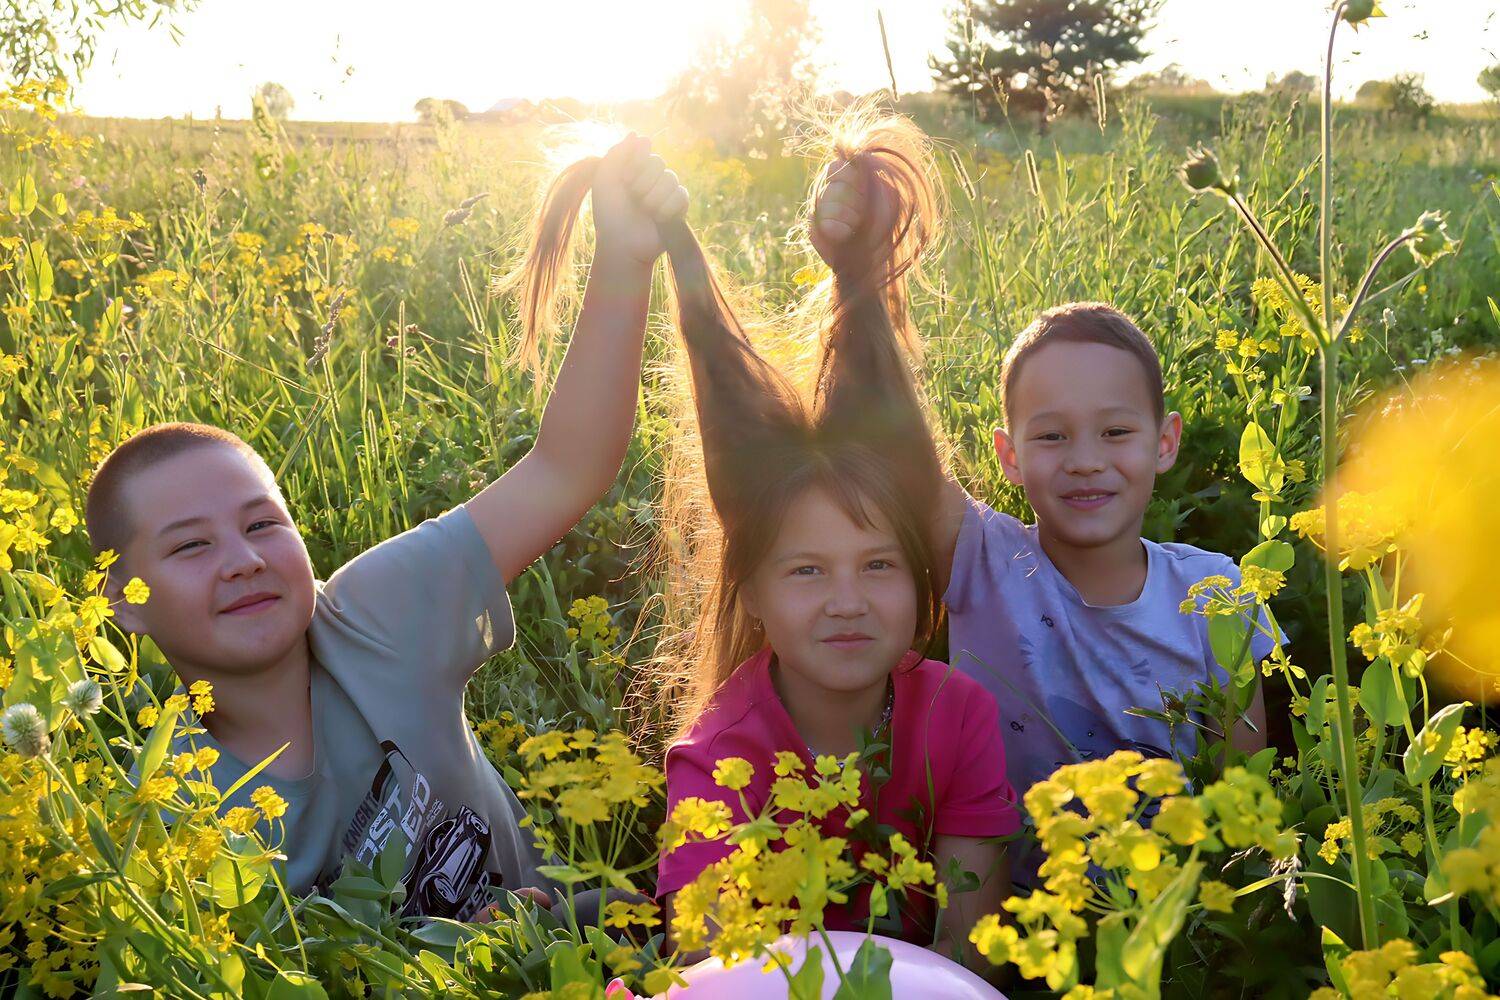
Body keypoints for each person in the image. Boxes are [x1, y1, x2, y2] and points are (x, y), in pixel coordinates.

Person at [87, 134, 688, 919]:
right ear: (122, 601)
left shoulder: (374, 616)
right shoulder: (169, 809)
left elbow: (565, 470)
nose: (243, 560)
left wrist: (624, 261)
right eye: (192, 545)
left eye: (263, 524)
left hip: (580, 944)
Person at [508, 110, 1021, 967]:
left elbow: (973, 951)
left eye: (879, 565)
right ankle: (538, 919)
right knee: (584, 934)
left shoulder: (957, 714)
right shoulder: (720, 758)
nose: (849, 602)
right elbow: (721, 972)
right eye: (808, 571)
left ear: (922, 577)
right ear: (749, 591)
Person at [807, 120, 1276, 837]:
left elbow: (1246, 803)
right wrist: (856, 275)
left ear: (1165, 443)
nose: (1085, 459)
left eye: (1115, 432)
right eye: (1052, 436)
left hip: (1175, 901)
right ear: (1009, 456)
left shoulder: (1217, 594)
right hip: (1001, 902)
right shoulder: (985, 560)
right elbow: (890, 439)